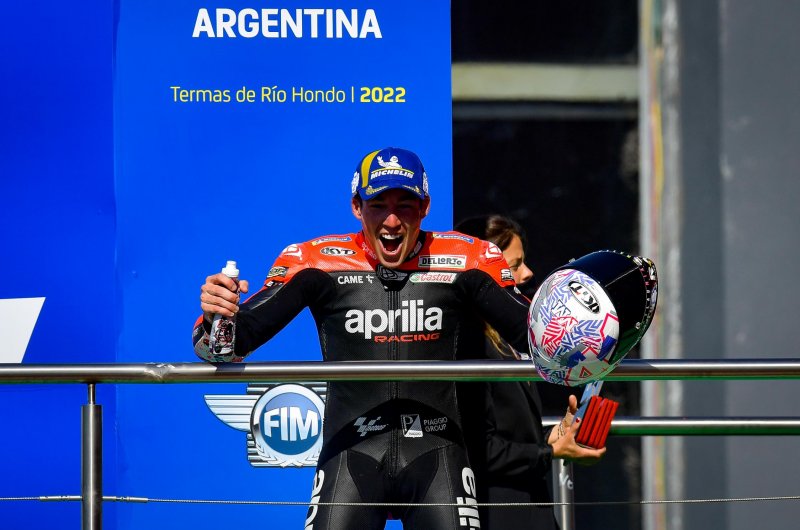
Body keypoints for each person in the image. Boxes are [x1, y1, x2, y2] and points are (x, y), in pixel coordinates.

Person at [193, 147, 578, 530]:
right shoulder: (314, 260)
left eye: (405, 206)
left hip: (438, 456)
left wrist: (584, 320)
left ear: (425, 208)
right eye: (378, 205)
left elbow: (535, 338)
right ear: (357, 207)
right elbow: (225, 348)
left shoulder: (470, 259)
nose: (392, 221)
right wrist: (217, 315)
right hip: (350, 456)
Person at [455, 215, 605, 530]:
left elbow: (509, 432)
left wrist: (555, 434)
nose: (527, 273)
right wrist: (549, 451)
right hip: (497, 512)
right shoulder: (469, 346)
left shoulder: (504, 341)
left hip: (528, 506)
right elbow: (478, 450)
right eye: (514, 266)